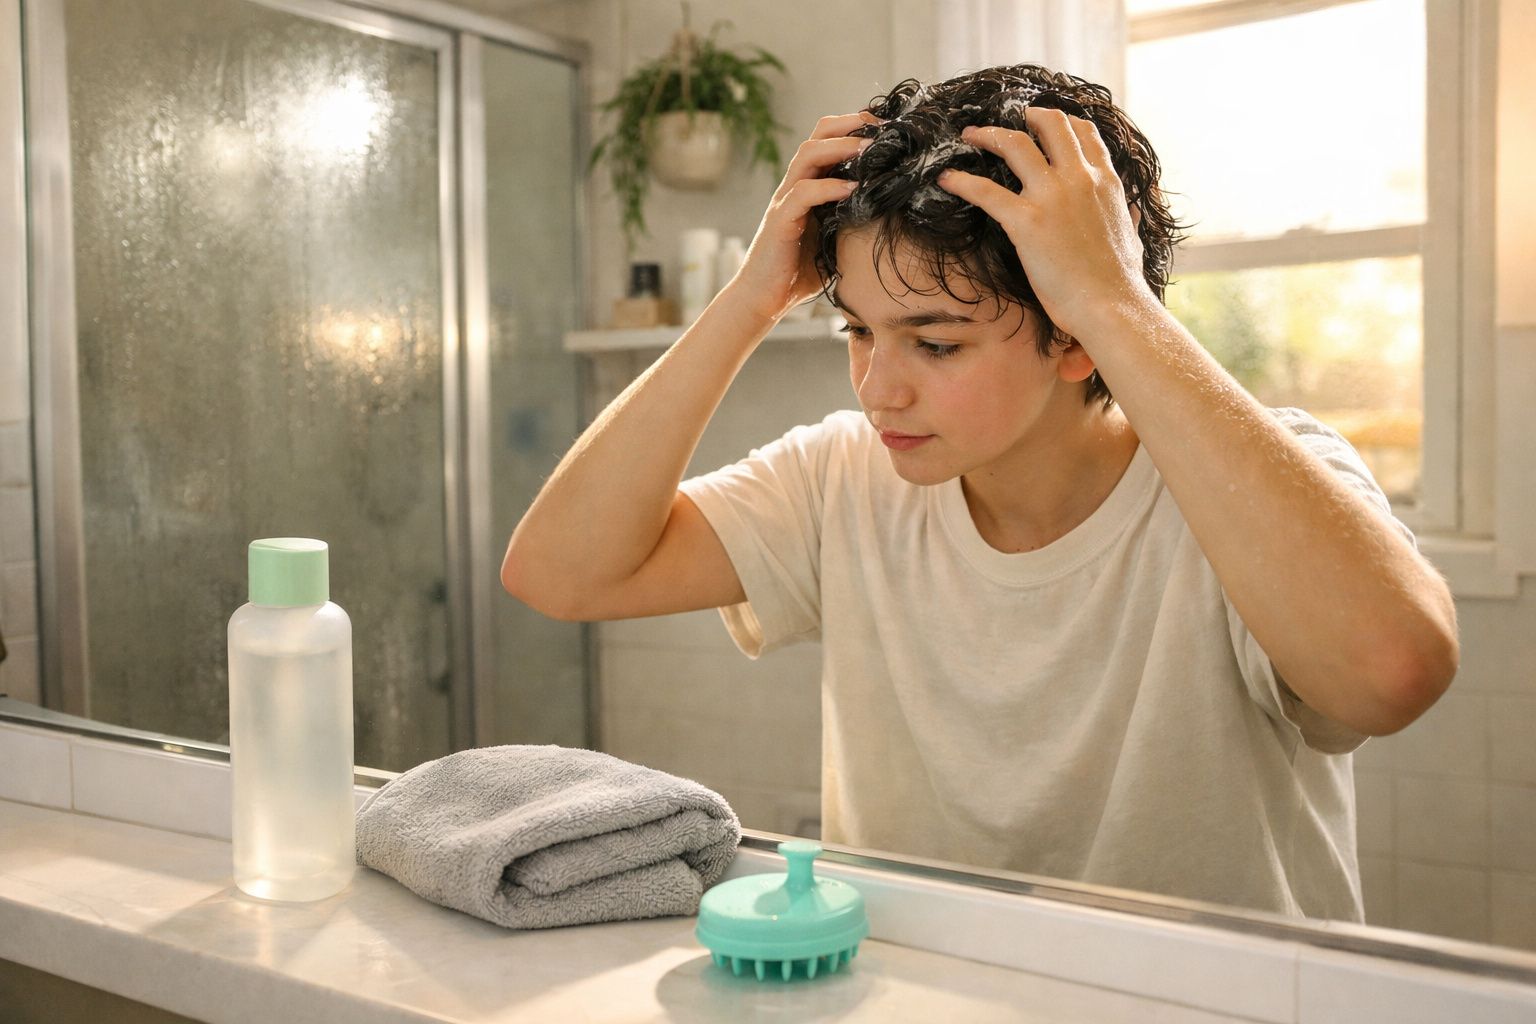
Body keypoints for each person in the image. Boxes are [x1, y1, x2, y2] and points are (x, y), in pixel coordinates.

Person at [501, 64, 1459, 920]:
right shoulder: (843, 477)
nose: (879, 389)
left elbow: (1390, 675)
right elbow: (560, 574)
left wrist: (1117, 300)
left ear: (1075, 333)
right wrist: (750, 297)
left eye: (935, 342)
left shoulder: (1258, 480)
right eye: (858, 332)